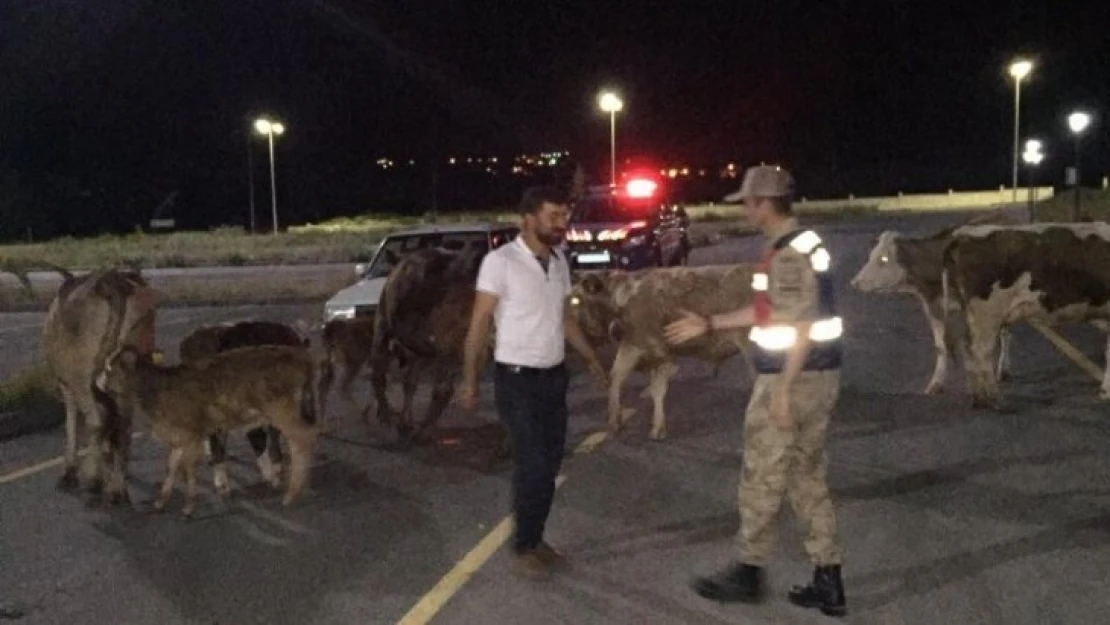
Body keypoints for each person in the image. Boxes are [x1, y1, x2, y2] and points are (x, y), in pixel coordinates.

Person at [664, 165, 847, 616]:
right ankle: (829, 578)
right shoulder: (802, 244)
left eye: (747, 202)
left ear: (764, 204)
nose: (745, 211)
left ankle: (749, 570)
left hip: (793, 378)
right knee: (806, 475)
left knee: (762, 475)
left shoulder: (788, 254)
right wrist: (710, 323)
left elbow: (800, 323)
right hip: (818, 377)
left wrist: (783, 392)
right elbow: (773, 311)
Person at [460, 185, 608, 578]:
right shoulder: (500, 262)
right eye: (554, 216)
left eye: (565, 216)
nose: (563, 224)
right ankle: (524, 545)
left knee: (552, 462)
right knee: (534, 464)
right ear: (527, 218)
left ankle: (536, 538)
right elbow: (478, 324)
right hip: (516, 381)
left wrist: (592, 358)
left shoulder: (559, 261)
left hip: (554, 378)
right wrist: (470, 379)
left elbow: (564, 318)